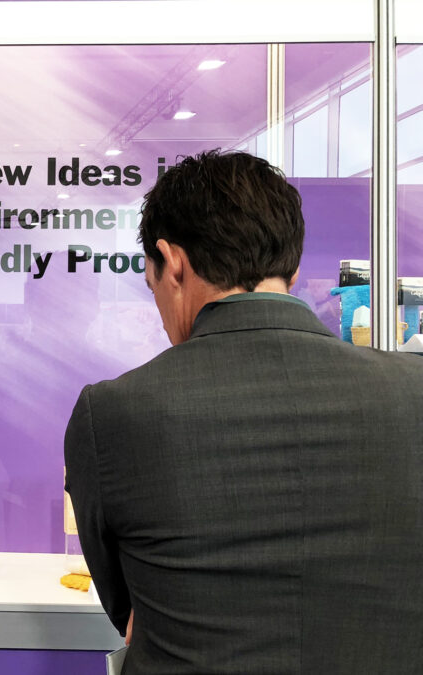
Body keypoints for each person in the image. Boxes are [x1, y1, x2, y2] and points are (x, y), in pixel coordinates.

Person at [64, 150, 423, 673]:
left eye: (151, 284)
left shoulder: (112, 413)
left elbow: (130, 609)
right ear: (293, 269)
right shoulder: (413, 393)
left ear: (172, 262)